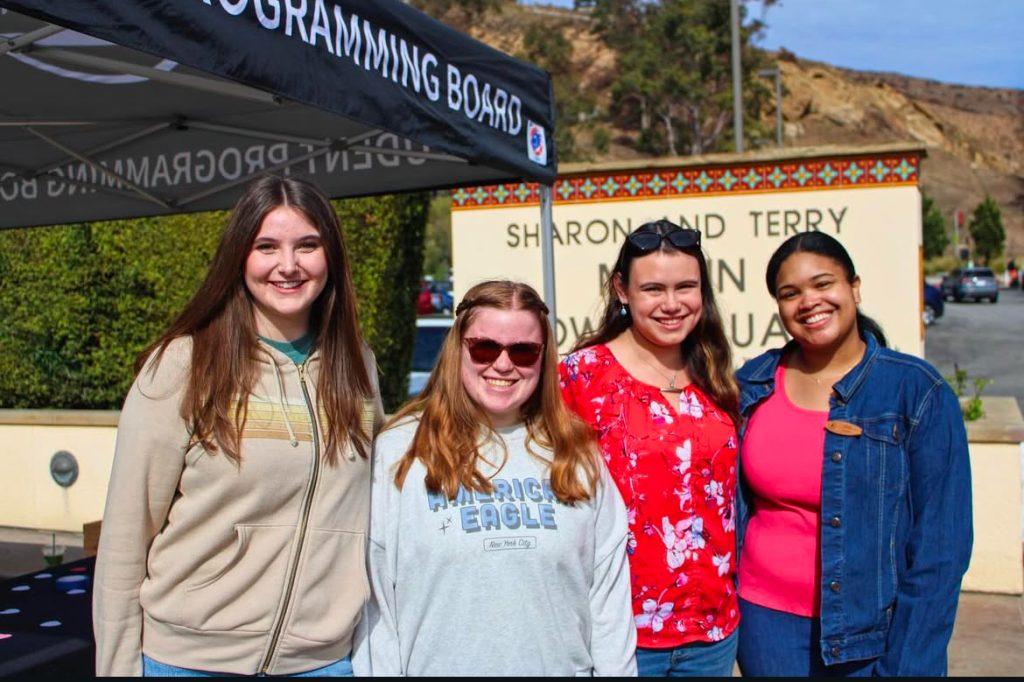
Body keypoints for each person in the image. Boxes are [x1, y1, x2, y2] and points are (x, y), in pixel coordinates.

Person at [93, 175, 384, 677]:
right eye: (266, 246)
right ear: (239, 257)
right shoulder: (183, 364)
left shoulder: (357, 367)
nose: (288, 266)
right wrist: (117, 668)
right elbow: (126, 533)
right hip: (188, 663)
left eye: (308, 246)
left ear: (330, 257)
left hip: (323, 664)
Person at [355, 280, 637, 677]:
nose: (503, 365)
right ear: (459, 348)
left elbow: (608, 605)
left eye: (523, 352)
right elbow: (376, 609)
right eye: (484, 348)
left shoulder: (577, 453)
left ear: (543, 356)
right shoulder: (400, 452)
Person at [735, 231, 972, 676]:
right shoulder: (752, 384)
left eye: (823, 284)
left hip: (872, 634)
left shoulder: (915, 391)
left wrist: (910, 662)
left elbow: (942, 548)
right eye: (791, 293)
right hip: (764, 627)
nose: (809, 301)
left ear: (854, 288)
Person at [560, 220, 741, 677]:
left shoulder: (716, 373)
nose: (672, 304)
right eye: (653, 289)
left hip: (713, 636)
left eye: (686, 287)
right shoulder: (580, 377)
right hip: (621, 637)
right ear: (621, 290)